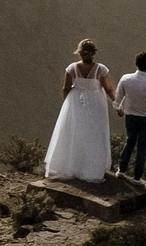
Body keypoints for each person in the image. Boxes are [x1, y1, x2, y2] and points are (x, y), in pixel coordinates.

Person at [43, 38, 117, 182]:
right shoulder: (101, 69)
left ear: (79, 52)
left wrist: (69, 104)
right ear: (94, 52)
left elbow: (66, 88)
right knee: (94, 134)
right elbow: (108, 89)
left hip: (75, 102)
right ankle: (91, 169)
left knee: (74, 134)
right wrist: (118, 104)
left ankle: (72, 166)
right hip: (96, 103)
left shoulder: (72, 68)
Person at [113, 52, 146, 180]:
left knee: (129, 142)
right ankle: (137, 177)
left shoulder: (126, 79)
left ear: (136, 63)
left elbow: (118, 98)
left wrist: (118, 108)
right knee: (142, 147)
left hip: (130, 117)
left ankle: (121, 170)